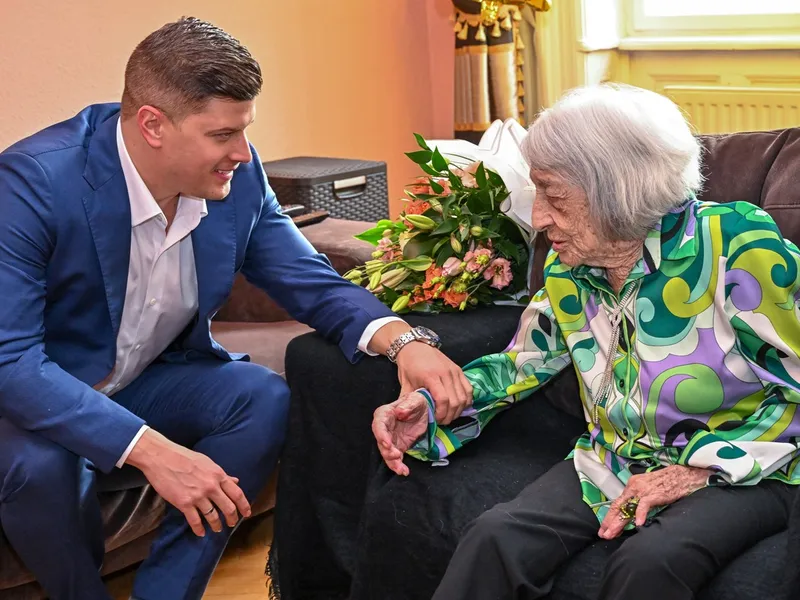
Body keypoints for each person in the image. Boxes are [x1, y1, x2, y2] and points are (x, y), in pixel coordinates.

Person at [0, 17, 472, 600]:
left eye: (244, 130)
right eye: (222, 135)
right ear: (153, 125)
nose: (243, 155)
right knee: (37, 469)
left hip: (145, 377)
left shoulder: (237, 184)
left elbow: (311, 282)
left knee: (260, 396)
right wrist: (154, 452)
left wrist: (407, 343)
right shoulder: (34, 182)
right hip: (35, 392)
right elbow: (13, 362)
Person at [372, 83, 800, 600]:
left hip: (744, 465)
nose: (538, 218)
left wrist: (697, 470)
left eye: (553, 195)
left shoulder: (733, 245)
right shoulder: (568, 267)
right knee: (495, 539)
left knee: (650, 563)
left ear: (614, 187)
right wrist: (432, 404)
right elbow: (519, 364)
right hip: (614, 460)